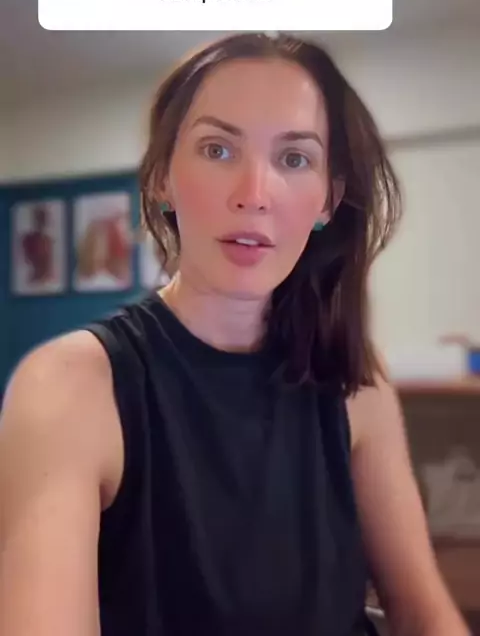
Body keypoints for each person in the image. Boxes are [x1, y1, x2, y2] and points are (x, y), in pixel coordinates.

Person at [0, 33, 469, 636]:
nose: (253, 195)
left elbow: (424, 614)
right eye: (217, 149)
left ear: (329, 199)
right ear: (162, 178)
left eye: (294, 159)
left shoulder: (354, 377)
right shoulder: (70, 387)